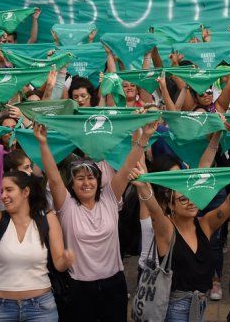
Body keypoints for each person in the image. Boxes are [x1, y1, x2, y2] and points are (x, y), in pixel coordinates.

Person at [35, 118, 156, 322]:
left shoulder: (110, 197)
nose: (86, 182)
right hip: (78, 287)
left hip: (114, 284)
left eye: (91, 177)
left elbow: (127, 167)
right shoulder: (66, 206)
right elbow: (55, 177)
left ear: (99, 181)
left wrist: (144, 137)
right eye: (80, 178)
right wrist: (43, 143)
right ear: (72, 185)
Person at [130, 161, 230, 322]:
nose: (190, 202)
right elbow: (155, 210)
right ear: (171, 205)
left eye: (193, 197)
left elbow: (229, 204)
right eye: (183, 199)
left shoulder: (205, 224)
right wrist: (143, 187)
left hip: (200, 305)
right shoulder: (167, 229)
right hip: (175, 308)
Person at [0, 171, 73, 322]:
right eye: (1, 191)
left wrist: (66, 259)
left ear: (26, 192)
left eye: (9, 190)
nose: (3, 196)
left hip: (41, 308)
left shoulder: (47, 218)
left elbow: (59, 264)